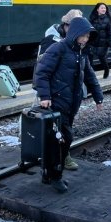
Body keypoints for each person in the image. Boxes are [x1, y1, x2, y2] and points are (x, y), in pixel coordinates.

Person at [33, 17, 104, 193]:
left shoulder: (81, 53)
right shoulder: (58, 48)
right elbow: (41, 73)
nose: (86, 39)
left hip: (71, 104)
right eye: (84, 36)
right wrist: (45, 96)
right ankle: (56, 176)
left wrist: (98, 97)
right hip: (56, 103)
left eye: (88, 37)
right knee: (64, 139)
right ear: (75, 34)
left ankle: (47, 173)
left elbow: (89, 76)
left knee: (56, 141)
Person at [36, 9, 84, 171]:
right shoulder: (52, 40)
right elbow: (42, 68)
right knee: (58, 128)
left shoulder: (75, 42)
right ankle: (58, 161)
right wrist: (44, 94)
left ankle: (57, 158)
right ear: (66, 25)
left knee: (65, 126)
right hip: (53, 92)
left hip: (68, 93)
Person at [89, 3, 111, 79]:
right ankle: (91, 74)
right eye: (102, 8)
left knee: (102, 57)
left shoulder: (108, 20)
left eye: (104, 8)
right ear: (97, 9)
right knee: (90, 57)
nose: (103, 9)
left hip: (103, 42)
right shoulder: (93, 18)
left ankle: (106, 70)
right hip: (94, 41)